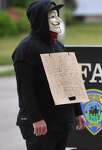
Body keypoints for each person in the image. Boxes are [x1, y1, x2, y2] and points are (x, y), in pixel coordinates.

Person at [12, 1, 86, 150]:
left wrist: (78, 112)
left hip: (61, 122)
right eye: (52, 16)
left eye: (57, 16)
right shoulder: (25, 49)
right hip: (41, 124)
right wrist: (37, 119)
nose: (58, 20)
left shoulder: (58, 46)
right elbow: (26, 90)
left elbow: (69, 83)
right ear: (40, 20)